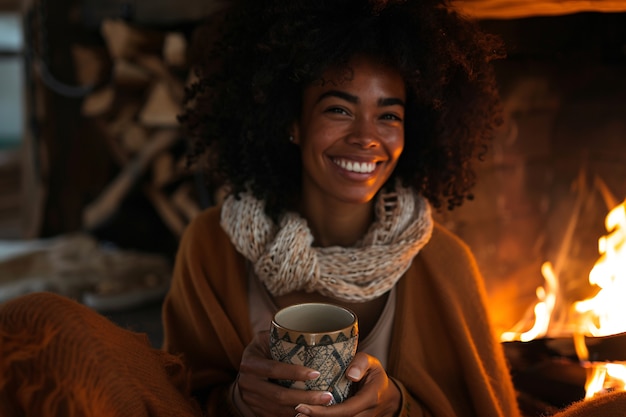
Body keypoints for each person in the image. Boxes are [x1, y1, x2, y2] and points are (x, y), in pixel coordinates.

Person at [3, 0, 626, 416]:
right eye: (337, 108)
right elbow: (179, 398)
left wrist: (395, 405)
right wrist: (244, 401)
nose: (366, 137)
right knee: (39, 325)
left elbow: (481, 407)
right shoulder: (212, 244)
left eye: (390, 115)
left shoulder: (443, 262)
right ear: (291, 124)